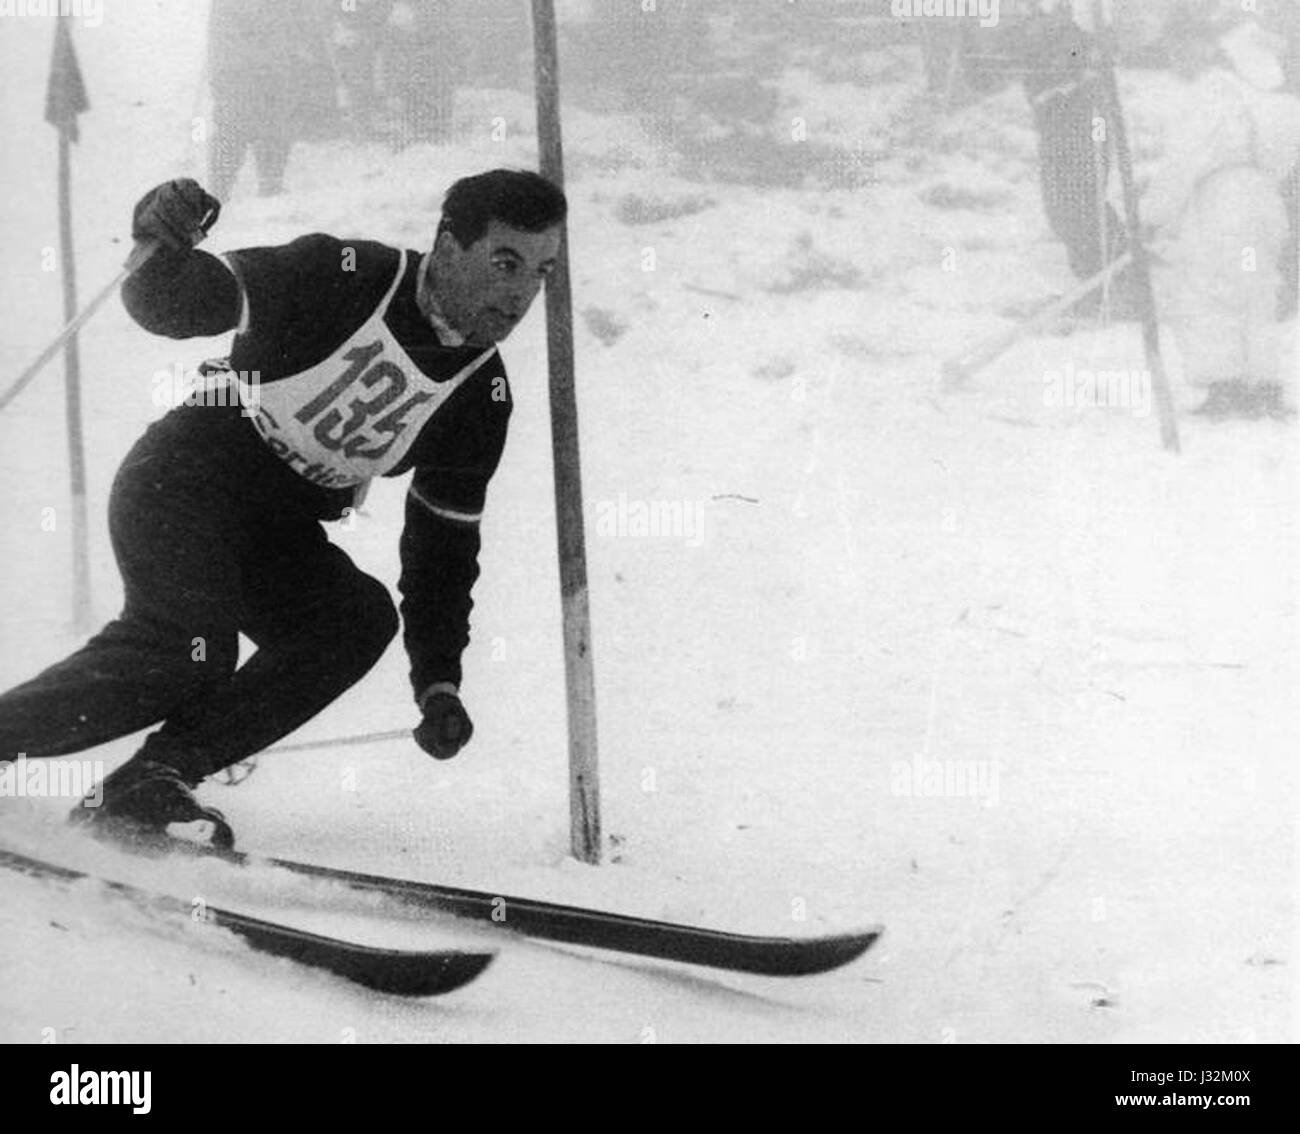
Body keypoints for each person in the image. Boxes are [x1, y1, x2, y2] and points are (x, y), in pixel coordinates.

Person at [0, 169, 567, 847]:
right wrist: (160, 237)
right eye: (505, 262)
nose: (521, 293)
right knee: (186, 652)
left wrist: (437, 681)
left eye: (542, 272)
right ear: (448, 246)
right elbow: (175, 303)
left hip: (274, 530)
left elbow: (441, 550)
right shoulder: (346, 274)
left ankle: (152, 782)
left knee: (355, 620)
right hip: (185, 478)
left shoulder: (480, 397)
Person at [1144, 18, 1300, 418]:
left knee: (1208, 290)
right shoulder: (1252, 93)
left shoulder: (1207, 94)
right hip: (1261, 200)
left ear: (1205, 49)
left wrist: (1150, 214)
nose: (1176, 59)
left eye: (1183, 49)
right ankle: (1261, 382)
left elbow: (1184, 163)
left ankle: (1226, 384)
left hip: (1222, 202)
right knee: (1254, 290)